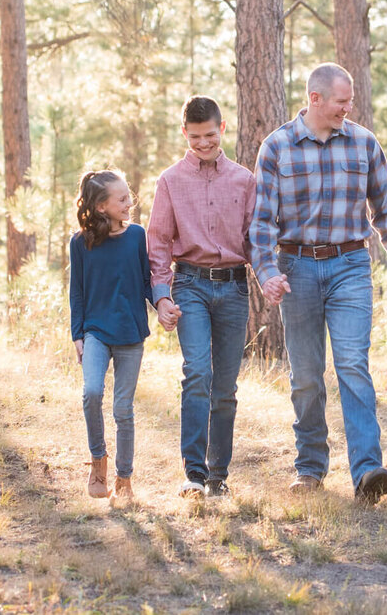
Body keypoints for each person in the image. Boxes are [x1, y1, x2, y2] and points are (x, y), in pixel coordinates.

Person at [251, 62, 387, 504]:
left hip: (350, 266)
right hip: (297, 268)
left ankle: (366, 471)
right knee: (305, 376)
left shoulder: (363, 143)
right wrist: (267, 271)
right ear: (315, 99)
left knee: (352, 366)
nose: (349, 107)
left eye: (351, 100)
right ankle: (310, 467)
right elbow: (262, 221)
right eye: (342, 100)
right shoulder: (277, 147)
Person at [145, 96, 256, 499]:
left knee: (225, 386)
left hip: (233, 286)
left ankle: (217, 476)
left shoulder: (244, 180)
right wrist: (161, 298)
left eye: (209, 135)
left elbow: (254, 239)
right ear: (184, 134)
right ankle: (193, 473)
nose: (203, 144)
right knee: (197, 373)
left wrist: (270, 276)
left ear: (222, 128)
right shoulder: (170, 181)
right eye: (195, 138)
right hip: (188, 284)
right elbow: (157, 244)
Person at [69, 169, 158, 507]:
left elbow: (147, 281)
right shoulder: (80, 242)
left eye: (128, 196)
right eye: (121, 199)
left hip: (131, 334)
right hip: (95, 331)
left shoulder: (137, 235)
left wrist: (163, 304)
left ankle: (124, 477)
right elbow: (76, 291)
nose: (129, 202)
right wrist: (77, 333)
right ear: (102, 207)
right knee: (91, 392)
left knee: (123, 409)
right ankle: (98, 464)